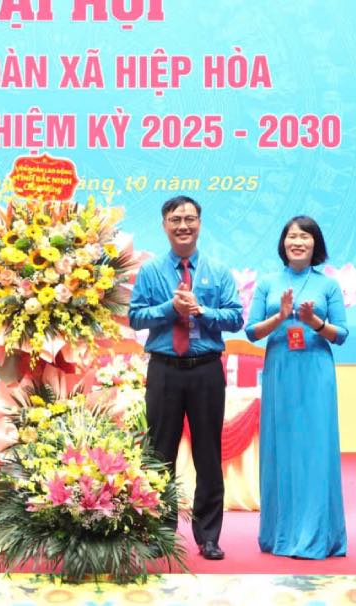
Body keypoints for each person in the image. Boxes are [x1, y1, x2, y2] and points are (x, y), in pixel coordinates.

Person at [128, 195, 243, 560]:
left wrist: (202, 310)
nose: (183, 226)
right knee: (160, 451)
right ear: (164, 225)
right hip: (164, 370)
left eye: (190, 219)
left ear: (199, 223)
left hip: (206, 369)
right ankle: (158, 532)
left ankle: (208, 536)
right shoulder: (150, 272)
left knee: (208, 452)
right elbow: (135, 318)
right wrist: (169, 309)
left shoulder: (218, 271)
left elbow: (236, 318)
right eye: (175, 219)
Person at [244, 216, 348, 559]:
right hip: (280, 368)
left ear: (315, 243)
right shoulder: (268, 282)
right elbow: (251, 332)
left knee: (315, 450)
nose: (298, 242)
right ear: (283, 243)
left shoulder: (328, 285)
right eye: (292, 236)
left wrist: (314, 322)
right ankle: (280, 534)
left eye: (305, 236)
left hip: (315, 368)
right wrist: (281, 317)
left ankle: (316, 534)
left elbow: (342, 335)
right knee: (281, 447)